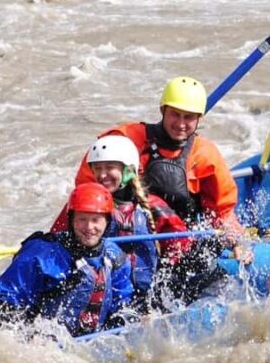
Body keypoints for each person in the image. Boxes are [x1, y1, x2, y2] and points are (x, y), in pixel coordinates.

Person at [73, 76, 252, 265]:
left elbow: (222, 212)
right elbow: (85, 191)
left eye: (189, 117)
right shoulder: (125, 138)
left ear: (199, 118)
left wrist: (238, 242)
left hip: (176, 240)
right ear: (162, 110)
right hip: (120, 230)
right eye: (175, 114)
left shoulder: (205, 155)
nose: (181, 124)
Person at [0, 183, 135, 337]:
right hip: (44, 342)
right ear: (71, 220)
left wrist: (121, 325)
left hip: (91, 341)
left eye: (96, 220)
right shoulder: (40, 254)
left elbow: (124, 302)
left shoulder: (114, 256)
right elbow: (3, 304)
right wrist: (25, 337)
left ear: (107, 222)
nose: (89, 227)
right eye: (82, 219)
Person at [51, 135, 162, 312]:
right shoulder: (83, 203)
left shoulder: (151, 206)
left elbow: (179, 241)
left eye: (109, 168)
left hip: (144, 296)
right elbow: (56, 241)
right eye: (97, 168)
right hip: (103, 295)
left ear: (128, 170)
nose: (102, 175)